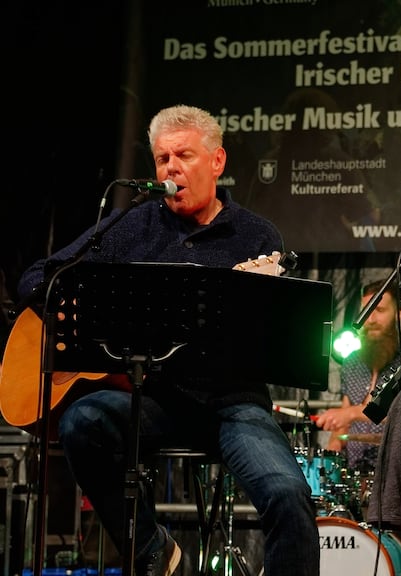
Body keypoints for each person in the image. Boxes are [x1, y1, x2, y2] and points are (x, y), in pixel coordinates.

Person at [15, 105, 320, 576]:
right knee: (81, 421)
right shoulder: (131, 226)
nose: (170, 169)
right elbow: (38, 277)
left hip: (232, 406)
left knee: (288, 495)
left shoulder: (257, 236)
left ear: (217, 162)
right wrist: (76, 307)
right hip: (151, 402)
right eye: (161, 159)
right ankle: (154, 551)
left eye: (184, 156)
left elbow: (271, 343)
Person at [314, 279, 401, 474]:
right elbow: (344, 421)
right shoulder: (351, 361)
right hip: (355, 472)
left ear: (399, 313)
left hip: (398, 472)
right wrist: (329, 463)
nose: (370, 320)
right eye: (366, 312)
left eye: (379, 310)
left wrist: (351, 413)